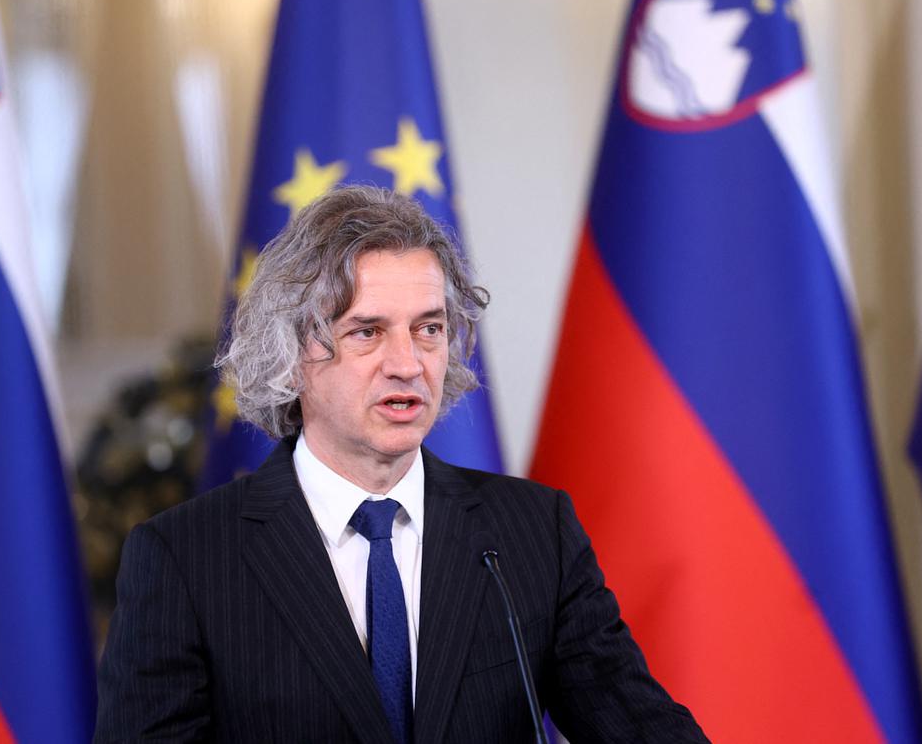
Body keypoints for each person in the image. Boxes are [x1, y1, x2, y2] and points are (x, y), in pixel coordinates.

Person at [95, 186, 707, 743]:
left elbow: (640, 727)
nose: (408, 364)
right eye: (367, 332)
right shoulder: (185, 558)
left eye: (429, 329)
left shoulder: (531, 532)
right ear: (293, 351)